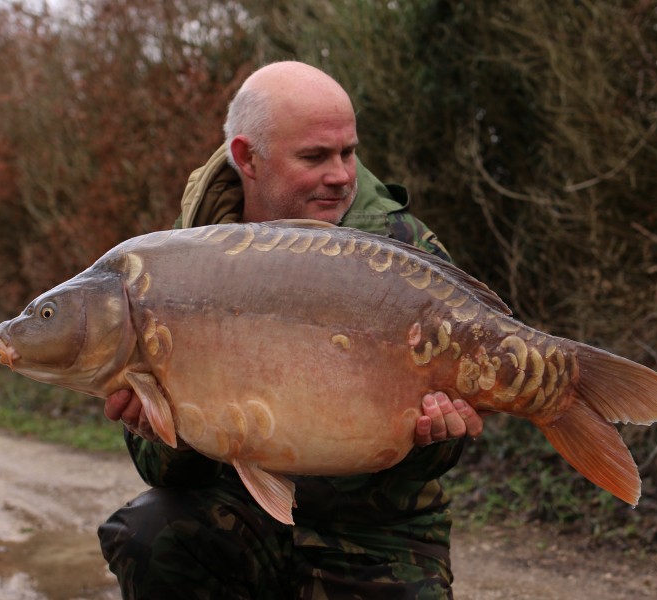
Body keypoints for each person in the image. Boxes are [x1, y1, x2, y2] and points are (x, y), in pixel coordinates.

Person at [98, 61, 484, 599]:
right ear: (247, 158)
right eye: (315, 157)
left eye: (348, 152)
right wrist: (163, 430)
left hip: (376, 531)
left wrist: (435, 437)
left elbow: (437, 458)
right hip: (243, 515)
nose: (342, 175)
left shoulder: (403, 248)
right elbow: (162, 473)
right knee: (149, 533)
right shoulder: (186, 261)